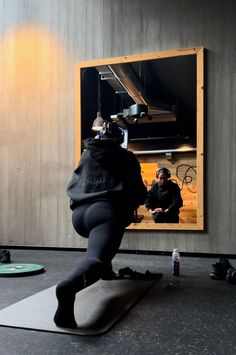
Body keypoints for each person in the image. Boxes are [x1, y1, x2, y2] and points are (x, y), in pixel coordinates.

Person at [54, 120, 147, 328]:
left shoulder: (87, 153)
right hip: (105, 211)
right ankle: (68, 288)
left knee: (102, 247)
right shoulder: (126, 157)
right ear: (119, 140)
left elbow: (76, 181)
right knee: (96, 258)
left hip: (79, 214)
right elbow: (139, 192)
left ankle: (106, 271)